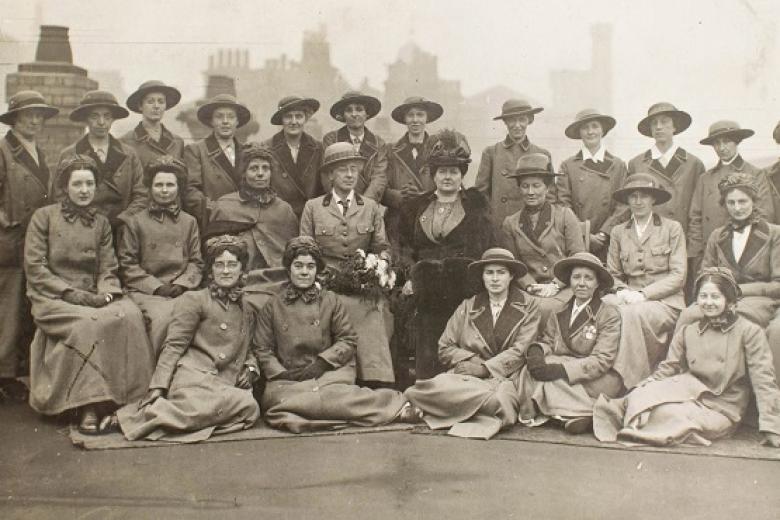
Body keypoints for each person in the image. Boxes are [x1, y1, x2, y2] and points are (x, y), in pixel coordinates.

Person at [24, 155, 154, 434]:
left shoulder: (101, 223)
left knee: (130, 316)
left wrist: (106, 294)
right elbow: (36, 268)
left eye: (89, 184)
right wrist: (70, 294)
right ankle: (88, 405)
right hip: (54, 296)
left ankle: (131, 400)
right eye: (77, 184)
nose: (84, 190)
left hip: (94, 293)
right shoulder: (43, 218)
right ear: (65, 187)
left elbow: (109, 266)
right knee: (87, 325)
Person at [594, 268, 780, 448]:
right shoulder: (689, 331)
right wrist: (647, 385)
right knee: (637, 397)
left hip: (722, 406)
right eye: (703, 296)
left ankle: (639, 426)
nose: (708, 302)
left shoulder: (749, 332)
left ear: (729, 300)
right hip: (689, 391)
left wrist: (772, 426)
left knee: (665, 414)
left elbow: (764, 380)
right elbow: (669, 367)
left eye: (715, 297)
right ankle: (632, 418)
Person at [251, 236, 420, 433]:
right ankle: (380, 408)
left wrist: (322, 363)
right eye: (298, 266)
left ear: (317, 270)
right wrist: (281, 373)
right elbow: (262, 349)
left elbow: (347, 339)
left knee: (326, 394)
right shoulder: (273, 306)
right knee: (279, 402)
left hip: (329, 372)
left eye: (310, 266)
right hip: (288, 378)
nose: (304, 272)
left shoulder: (330, 301)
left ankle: (393, 404)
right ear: (289, 269)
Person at [112, 233, 261, 441]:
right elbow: (174, 345)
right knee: (234, 405)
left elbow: (248, 347)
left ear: (242, 270)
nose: (225, 271)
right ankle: (141, 418)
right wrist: (159, 386)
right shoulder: (194, 300)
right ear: (211, 270)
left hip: (225, 379)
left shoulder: (247, 308)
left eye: (232, 265)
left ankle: (170, 418)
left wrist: (252, 368)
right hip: (194, 375)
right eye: (219, 265)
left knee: (249, 408)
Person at [404, 248, 540, 439]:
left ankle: (447, 407)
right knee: (423, 388)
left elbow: (521, 350)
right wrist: (472, 361)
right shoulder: (469, 305)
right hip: (466, 375)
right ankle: (468, 406)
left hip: (506, 377)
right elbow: (445, 347)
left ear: (511, 276)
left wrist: (485, 368)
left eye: (501, 272)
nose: (494, 279)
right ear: (482, 277)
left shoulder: (530, 305)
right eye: (489, 273)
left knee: (499, 400)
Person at [398, 129, 494, 379]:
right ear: (434, 174)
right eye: (442, 171)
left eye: (454, 171)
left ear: (462, 174)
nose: (448, 177)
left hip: (463, 288)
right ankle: (426, 388)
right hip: (425, 290)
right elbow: (405, 247)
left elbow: (482, 247)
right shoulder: (414, 207)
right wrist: (410, 277)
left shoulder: (475, 205)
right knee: (426, 333)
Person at [676, 173, 780, 379]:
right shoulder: (718, 235)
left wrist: (736, 291)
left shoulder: (773, 234)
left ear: (754, 201)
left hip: (762, 301)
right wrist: (715, 293)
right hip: (720, 298)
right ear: (724, 205)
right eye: (731, 202)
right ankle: (682, 375)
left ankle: (764, 389)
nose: (737, 207)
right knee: (688, 315)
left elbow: (778, 284)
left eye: (743, 201)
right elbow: (705, 275)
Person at [516, 252, 622, 434]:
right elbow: (548, 340)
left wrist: (561, 370)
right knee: (530, 369)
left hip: (593, 377)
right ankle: (571, 415)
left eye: (588, 278)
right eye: (576, 277)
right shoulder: (560, 310)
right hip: (566, 373)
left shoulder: (608, 314)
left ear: (597, 284)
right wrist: (537, 351)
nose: (581, 283)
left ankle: (587, 411)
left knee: (546, 378)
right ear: (569, 281)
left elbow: (602, 360)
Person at [0, 90, 59, 402]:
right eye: (28, 115)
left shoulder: (37, 151)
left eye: (39, 115)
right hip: (8, 243)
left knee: (23, 309)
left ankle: (14, 373)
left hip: (32, 241)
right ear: (15, 119)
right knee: (7, 310)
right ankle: (4, 375)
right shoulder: (3, 150)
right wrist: (5, 222)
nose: (35, 121)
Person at [603, 173, 686, 389]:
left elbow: (678, 276)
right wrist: (621, 290)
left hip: (665, 302)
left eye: (644, 196)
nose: (638, 202)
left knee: (631, 313)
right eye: (633, 196)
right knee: (603, 308)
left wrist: (643, 295)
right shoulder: (619, 231)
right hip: (628, 296)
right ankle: (602, 372)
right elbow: (612, 273)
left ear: (654, 200)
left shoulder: (671, 228)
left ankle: (633, 381)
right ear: (627, 201)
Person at [117, 155, 204, 353]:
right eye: (158, 185)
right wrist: (156, 287)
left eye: (170, 185)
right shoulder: (136, 222)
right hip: (147, 292)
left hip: (182, 290)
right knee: (164, 319)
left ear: (178, 188)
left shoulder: (189, 222)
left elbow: (196, 262)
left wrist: (182, 284)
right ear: (150, 188)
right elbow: (127, 264)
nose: (164, 190)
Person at [501, 153, 586, 323]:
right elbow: (514, 265)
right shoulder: (510, 223)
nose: (531, 192)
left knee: (547, 309)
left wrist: (555, 285)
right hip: (529, 290)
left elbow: (578, 257)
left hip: (565, 287)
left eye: (536, 185)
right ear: (519, 189)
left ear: (547, 188)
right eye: (525, 186)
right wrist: (531, 286)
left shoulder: (564, 216)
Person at [55, 90, 146, 229]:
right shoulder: (69, 154)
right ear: (85, 119)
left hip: (121, 230)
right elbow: (59, 196)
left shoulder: (129, 155)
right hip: (83, 228)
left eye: (107, 116)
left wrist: (124, 219)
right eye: (94, 116)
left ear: (113, 119)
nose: (101, 122)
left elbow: (142, 195)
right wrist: (84, 219)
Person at [688, 120, 775, 263]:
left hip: (744, 253)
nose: (721, 148)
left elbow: (765, 214)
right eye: (716, 143)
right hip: (710, 253)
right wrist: (696, 255)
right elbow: (695, 218)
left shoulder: (755, 174)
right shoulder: (705, 178)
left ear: (737, 142)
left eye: (726, 141)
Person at [300, 142, 390, 269]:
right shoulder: (313, 207)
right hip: (324, 280)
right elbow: (305, 251)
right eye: (343, 169)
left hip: (362, 281)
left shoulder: (370, 207)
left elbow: (382, 248)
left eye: (353, 169)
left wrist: (381, 264)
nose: (349, 175)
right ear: (330, 175)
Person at [211, 144, 298, 270]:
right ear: (244, 173)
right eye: (254, 168)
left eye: (265, 168)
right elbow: (213, 253)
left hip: (277, 279)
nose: (260, 174)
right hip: (238, 278)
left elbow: (293, 252)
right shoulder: (224, 206)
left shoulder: (284, 209)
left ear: (271, 173)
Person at [557, 109, 628, 259]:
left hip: (609, 239)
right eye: (585, 128)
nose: (590, 132)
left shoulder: (618, 165)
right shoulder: (568, 166)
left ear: (603, 130)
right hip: (577, 239)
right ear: (579, 133)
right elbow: (563, 204)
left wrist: (604, 233)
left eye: (595, 126)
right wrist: (584, 232)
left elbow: (623, 205)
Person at [475, 98, 553, 235]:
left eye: (522, 119)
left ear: (529, 120)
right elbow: (481, 196)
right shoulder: (491, 152)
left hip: (533, 226)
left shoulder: (542, 154)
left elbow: (551, 195)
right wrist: (489, 223)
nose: (517, 125)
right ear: (505, 122)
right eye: (512, 120)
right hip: (500, 225)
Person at [627, 102, 705, 234]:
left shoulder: (694, 164)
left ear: (675, 127)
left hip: (682, 237)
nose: (659, 127)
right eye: (654, 123)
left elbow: (699, 210)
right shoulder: (637, 164)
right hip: (649, 239)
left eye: (664, 122)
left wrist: (694, 248)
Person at [183, 94, 252, 227]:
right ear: (211, 121)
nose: (225, 121)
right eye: (219, 116)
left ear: (237, 121)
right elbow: (191, 192)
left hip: (246, 222)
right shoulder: (196, 151)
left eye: (231, 117)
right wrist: (218, 211)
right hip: (213, 223)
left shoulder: (247, 152)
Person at [384, 97, 443, 252]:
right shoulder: (390, 151)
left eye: (420, 115)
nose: (415, 120)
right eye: (410, 115)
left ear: (427, 118)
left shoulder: (440, 150)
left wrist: (423, 196)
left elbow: (452, 186)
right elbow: (381, 187)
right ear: (404, 119)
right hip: (398, 221)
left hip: (431, 219)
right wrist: (397, 196)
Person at [259, 96, 324, 219]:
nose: (294, 122)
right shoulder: (267, 147)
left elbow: (323, 187)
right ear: (281, 120)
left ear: (306, 118)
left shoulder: (318, 148)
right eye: (288, 116)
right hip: (277, 216)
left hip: (310, 217)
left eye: (298, 116)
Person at [322, 91, 387, 202]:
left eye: (359, 109)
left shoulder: (378, 143)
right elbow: (327, 175)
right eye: (349, 110)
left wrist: (364, 204)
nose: (354, 114)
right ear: (343, 115)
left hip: (368, 203)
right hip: (339, 202)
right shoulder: (332, 139)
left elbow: (379, 177)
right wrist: (343, 202)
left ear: (367, 114)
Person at [120, 80, 185, 169]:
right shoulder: (126, 141)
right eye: (150, 102)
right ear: (140, 106)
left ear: (165, 106)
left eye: (161, 102)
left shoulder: (177, 142)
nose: (156, 106)